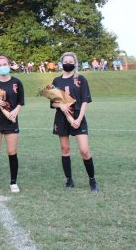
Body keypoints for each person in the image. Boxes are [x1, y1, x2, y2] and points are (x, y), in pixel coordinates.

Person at [50, 52, 99, 192]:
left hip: (78, 116)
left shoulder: (81, 79)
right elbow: (53, 103)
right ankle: (69, 180)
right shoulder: (56, 81)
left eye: (71, 61)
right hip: (62, 117)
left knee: (84, 150)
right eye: (66, 61)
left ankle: (92, 180)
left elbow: (85, 101)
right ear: (61, 63)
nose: (68, 63)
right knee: (65, 149)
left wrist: (78, 119)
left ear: (75, 63)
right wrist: (61, 106)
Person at [0, 55, 24, 194]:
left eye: (4, 64)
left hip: (11, 121)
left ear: (9, 65)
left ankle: (13, 182)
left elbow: (21, 102)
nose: (2, 66)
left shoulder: (17, 82)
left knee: (12, 152)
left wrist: (15, 112)